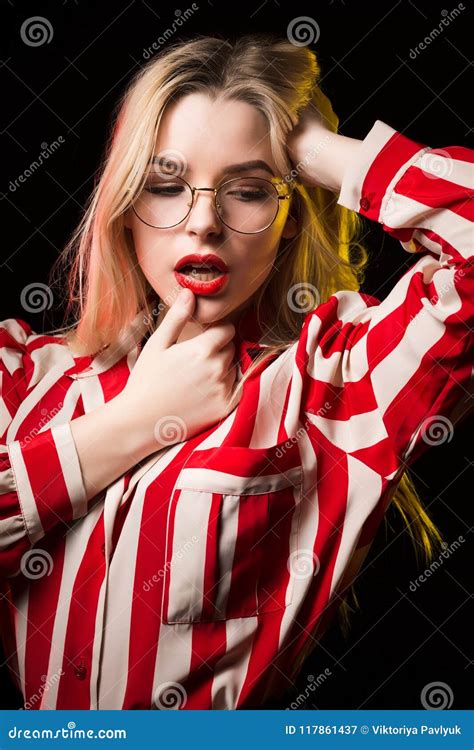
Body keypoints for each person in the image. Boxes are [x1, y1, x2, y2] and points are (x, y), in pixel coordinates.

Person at [0, 33, 472, 711]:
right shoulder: (19, 372)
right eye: (165, 185)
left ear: (288, 216)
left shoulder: (331, 387)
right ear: (123, 205)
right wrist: (129, 424)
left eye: (249, 190)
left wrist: (316, 150)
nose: (204, 224)